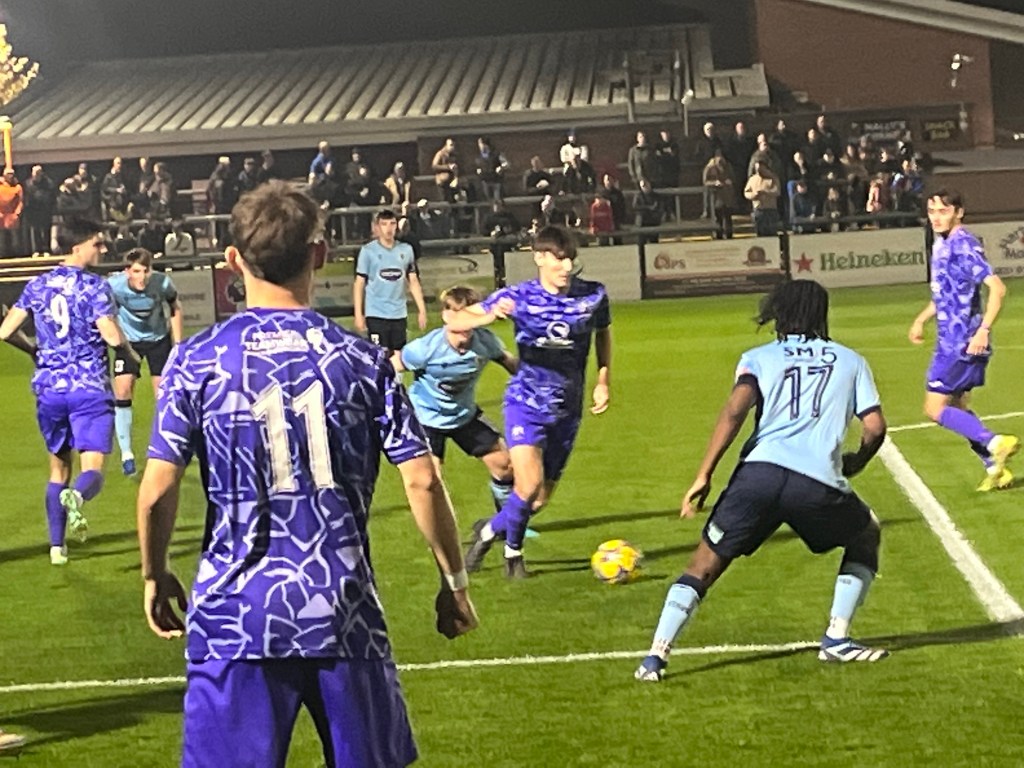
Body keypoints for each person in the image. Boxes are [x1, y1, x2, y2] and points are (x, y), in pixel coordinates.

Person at [137, 180, 478, 768]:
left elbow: (157, 489)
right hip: (343, 612)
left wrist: (155, 572)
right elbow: (422, 480)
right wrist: (455, 582)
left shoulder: (196, 360)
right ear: (319, 255)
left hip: (235, 616)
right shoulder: (362, 360)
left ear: (233, 261)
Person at [635, 280, 890, 682]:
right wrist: (856, 461)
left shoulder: (758, 357)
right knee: (865, 534)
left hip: (758, 476)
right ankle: (837, 638)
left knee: (704, 564)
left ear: (779, 313)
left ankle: (655, 657)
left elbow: (735, 409)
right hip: (816, 483)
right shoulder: (850, 361)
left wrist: (704, 474)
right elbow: (874, 427)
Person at [448, 225, 611, 579]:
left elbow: (603, 334)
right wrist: (490, 315)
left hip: (567, 410)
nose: (566, 267)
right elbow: (454, 317)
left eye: (570, 259)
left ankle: (488, 531)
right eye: (558, 259)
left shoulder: (593, 295)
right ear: (539, 258)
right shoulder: (519, 296)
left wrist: (602, 380)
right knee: (528, 484)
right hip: (526, 404)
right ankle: (514, 557)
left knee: (537, 500)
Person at [0, 217, 138, 565]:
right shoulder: (94, 287)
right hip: (88, 388)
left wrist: (33, 349)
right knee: (92, 469)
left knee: (58, 468)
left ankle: (56, 547)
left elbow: (5, 332)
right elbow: (110, 335)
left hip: (50, 390)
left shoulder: (38, 284)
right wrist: (129, 353)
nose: (103, 248)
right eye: (97, 243)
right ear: (78, 247)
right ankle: (76, 498)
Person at [909, 189, 1018, 491]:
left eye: (943, 211)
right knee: (957, 406)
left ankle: (994, 442)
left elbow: (997, 288)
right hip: (953, 340)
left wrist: (983, 330)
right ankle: (995, 467)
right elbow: (945, 294)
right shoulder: (941, 243)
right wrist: (921, 319)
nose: (936, 217)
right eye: (932, 211)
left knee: (934, 409)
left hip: (961, 343)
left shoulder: (963, 244)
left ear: (959, 212)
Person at [392, 285, 518, 520]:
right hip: (426, 419)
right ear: (446, 316)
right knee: (430, 482)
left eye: (471, 314)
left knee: (504, 465)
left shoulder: (486, 342)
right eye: (460, 315)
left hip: (464, 415)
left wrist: (539, 384)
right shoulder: (425, 348)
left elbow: (511, 364)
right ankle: (441, 534)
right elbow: (391, 367)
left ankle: (506, 524)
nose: (467, 323)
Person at [107, 247, 182, 476]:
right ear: (127, 271)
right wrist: (118, 342)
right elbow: (107, 315)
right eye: (137, 271)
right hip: (129, 342)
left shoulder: (162, 283)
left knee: (163, 393)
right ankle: (127, 454)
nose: (142, 277)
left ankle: (165, 447)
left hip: (158, 340)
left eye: (146, 271)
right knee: (123, 390)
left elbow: (175, 306)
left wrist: (178, 344)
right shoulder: (114, 286)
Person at [353, 209, 427, 352]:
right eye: (384, 224)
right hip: (376, 313)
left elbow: (413, 281)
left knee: (398, 355)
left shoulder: (406, 250)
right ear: (377, 227)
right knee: (379, 355)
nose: (388, 228)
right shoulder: (368, 251)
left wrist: (422, 309)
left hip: (399, 313)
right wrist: (358, 314)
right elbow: (359, 284)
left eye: (392, 224)